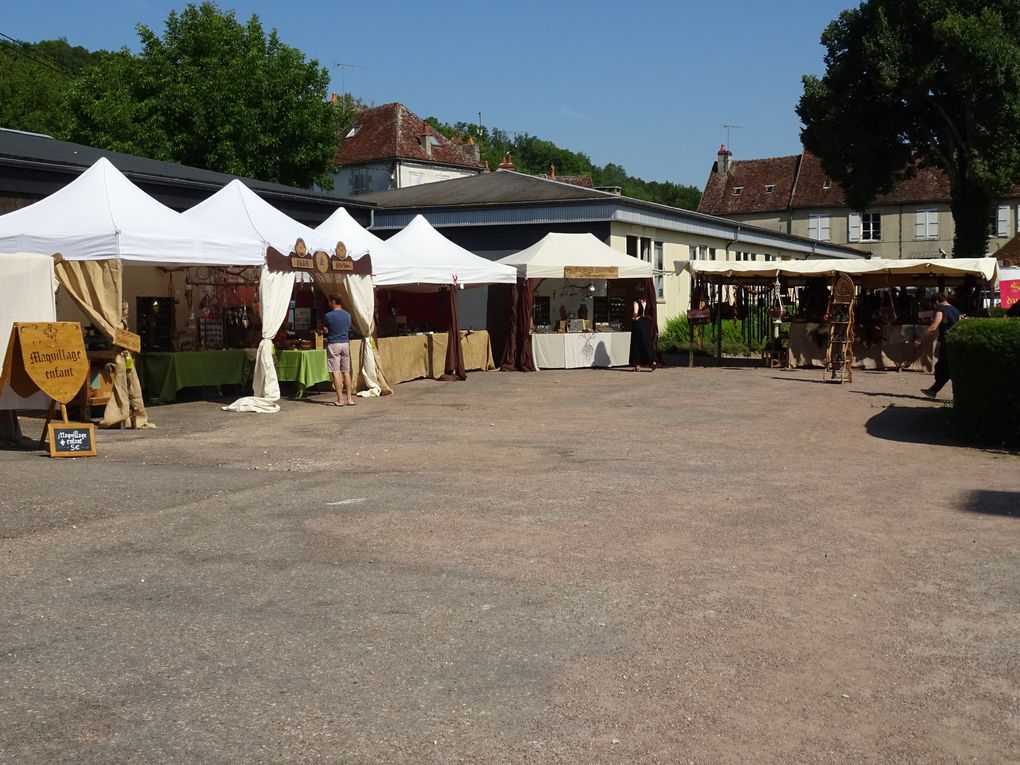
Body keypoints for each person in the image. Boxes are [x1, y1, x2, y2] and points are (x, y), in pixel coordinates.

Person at [914, 292, 961, 399]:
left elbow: (933, 327)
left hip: (946, 343)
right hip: (954, 341)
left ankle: (935, 390)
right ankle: (933, 390)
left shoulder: (941, 311)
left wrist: (920, 340)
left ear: (936, 302)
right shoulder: (956, 310)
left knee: (942, 368)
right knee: (947, 368)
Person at [322, 294, 355, 406]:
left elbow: (326, 329)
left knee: (335, 372)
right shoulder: (348, 315)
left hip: (334, 343)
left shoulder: (328, 316)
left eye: (329, 301)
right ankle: (350, 399)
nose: (328, 303)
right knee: (346, 371)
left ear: (333, 301)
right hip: (345, 343)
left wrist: (325, 331)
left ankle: (340, 400)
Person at [630, 285, 656, 371]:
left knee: (636, 343)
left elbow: (635, 313)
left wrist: (634, 318)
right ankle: (652, 361)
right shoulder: (646, 302)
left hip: (638, 323)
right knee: (646, 342)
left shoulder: (636, 302)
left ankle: (637, 365)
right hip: (646, 322)